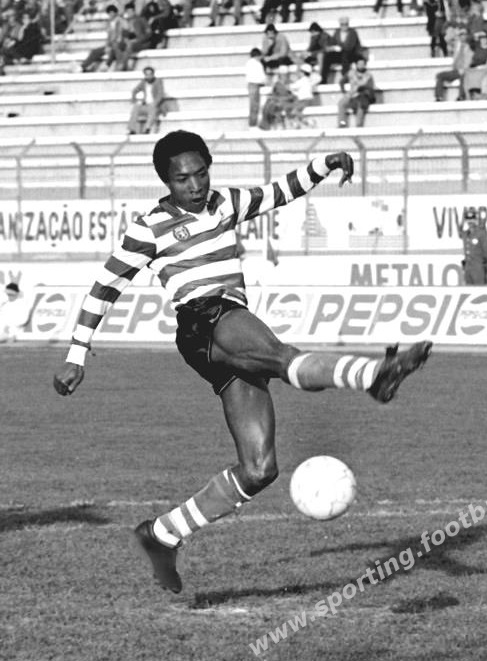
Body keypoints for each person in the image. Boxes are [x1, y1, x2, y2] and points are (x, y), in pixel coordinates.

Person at [52, 130, 433, 594]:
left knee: (259, 469)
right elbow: (105, 288)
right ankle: (374, 375)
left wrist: (323, 165)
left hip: (226, 328)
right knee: (282, 358)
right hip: (205, 319)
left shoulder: (225, 202)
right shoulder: (149, 227)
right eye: (182, 179)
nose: (195, 185)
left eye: (201, 173)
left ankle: (162, 533)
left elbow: (279, 192)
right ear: (166, 182)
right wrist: (77, 354)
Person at [434, 28, 473, 101]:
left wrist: (464, 69)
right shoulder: (457, 46)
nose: (462, 36)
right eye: (461, 35)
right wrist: (455, 33)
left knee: (464, 76)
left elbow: (469, 61)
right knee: (439, 75)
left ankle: (461, 96)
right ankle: (439, 97)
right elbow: (447, 39)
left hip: (465, 71)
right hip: (455, 70)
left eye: (464, 35)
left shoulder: (470, 47)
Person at [337, 56, 376, 128]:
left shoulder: (368, 75)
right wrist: (344, 91)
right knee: (341, 103)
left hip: (362, 96)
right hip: (352, 94)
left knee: (361, 106)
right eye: (359, 64)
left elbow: (370, 88)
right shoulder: (351, 73)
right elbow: (342, 81)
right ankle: (342, 123)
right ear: (356, 65)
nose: (361, 65)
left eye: (362, 64)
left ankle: (358, 125)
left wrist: (363, 89)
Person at [127, 66, 166, 135]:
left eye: (150, 74)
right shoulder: (143, 82)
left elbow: (160, 94)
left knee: (152, 108)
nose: (148, 76)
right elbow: (135, 90)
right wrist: (134, 100)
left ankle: (147, 129)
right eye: (147, 74)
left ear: (153, 74)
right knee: (136, 107)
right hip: (146, 105)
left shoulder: (158, 81)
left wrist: (154, 103)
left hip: (156, 106)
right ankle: (132, 129)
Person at [460, 207, 487, 284]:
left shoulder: (481, 233)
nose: (470, 222)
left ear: (476, 220)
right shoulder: (465, 234)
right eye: (468, 219)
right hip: (468, 270)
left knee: (480, 289)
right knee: (468, 289)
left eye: (472, 219)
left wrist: (484, 266)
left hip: (478, 269)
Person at [245, 47, 266, 129]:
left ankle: (253, 124)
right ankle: (252, 124)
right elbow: (260, 76)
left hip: (253, 84)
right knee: (254, 105)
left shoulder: (249, 63)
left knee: (254, 105)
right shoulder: (256, 64)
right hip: (254, 84)